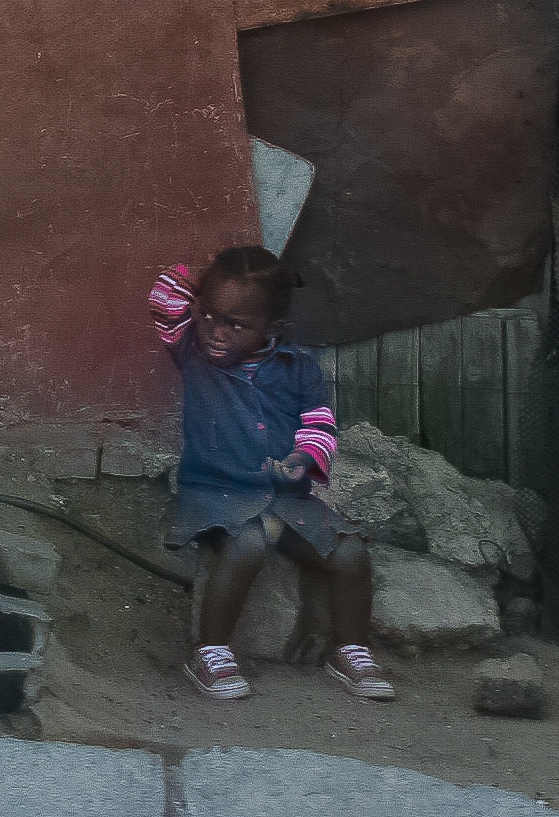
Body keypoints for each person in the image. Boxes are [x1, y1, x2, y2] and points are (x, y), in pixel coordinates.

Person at [151, 246, 396, 703]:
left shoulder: (298, 369)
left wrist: (303, 459)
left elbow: (319, 424)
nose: (216, 332)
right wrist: (206, 278)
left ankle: (351, 651)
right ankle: (211, 652)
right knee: (247, 544)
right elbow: (164, 297)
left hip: (287, 499)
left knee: (350, 553)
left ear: (272, 328)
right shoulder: (193, 353)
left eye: (236, 324)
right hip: (216, 494)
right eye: (209, 316)